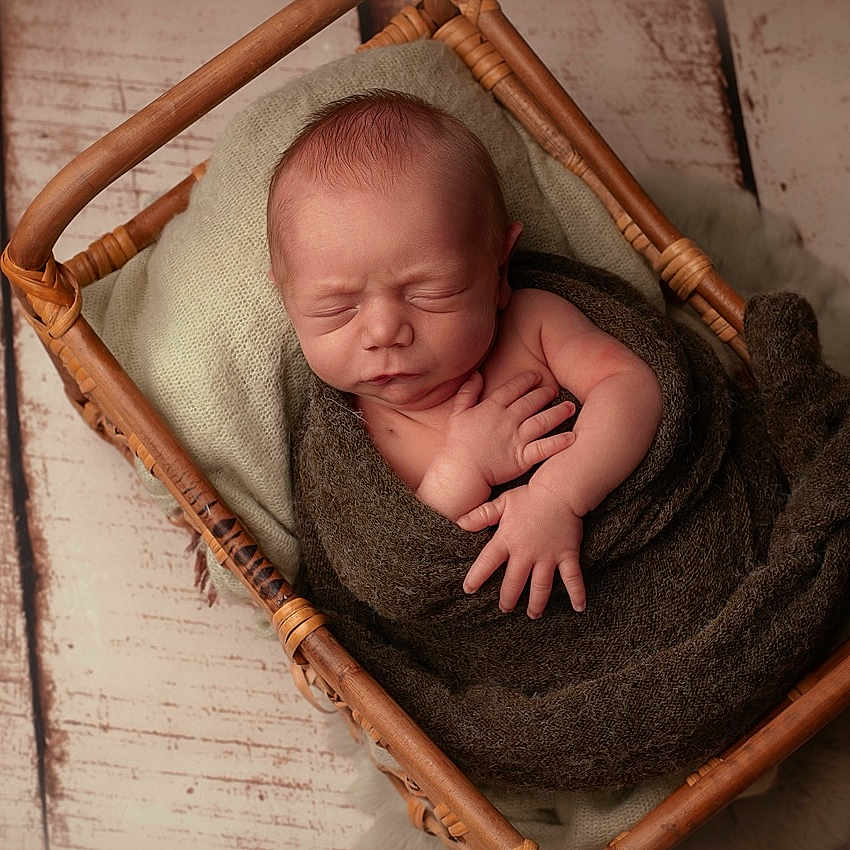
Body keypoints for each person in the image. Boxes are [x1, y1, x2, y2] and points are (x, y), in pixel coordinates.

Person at [267, 90, 662, 619]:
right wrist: (463, 470)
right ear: (287, 299)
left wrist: (559, 496)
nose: (384, 331)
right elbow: (387, 577)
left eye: (430, 293)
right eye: (336, 308)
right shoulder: (346, 441)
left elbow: (632, 387)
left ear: (499, 269)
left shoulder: (533, 323)